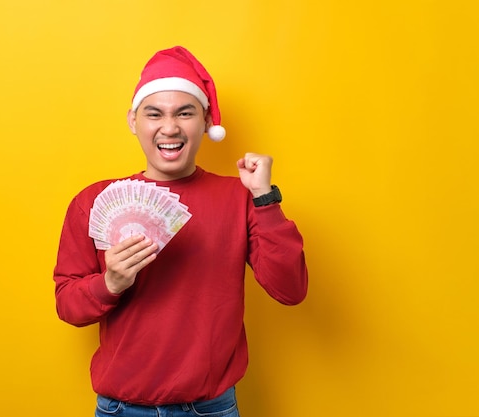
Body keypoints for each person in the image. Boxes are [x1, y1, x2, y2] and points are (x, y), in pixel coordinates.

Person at [53, 46, 308, 417]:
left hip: (211, 409)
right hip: (121, 409)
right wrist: (110, 283)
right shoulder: (93, 202)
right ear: (132, 121)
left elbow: (291, 290)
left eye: (184, 113)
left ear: (205, 121)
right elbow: (67, 304)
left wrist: (264, 198)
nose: (169, 127)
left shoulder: (239, 198)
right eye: (154, 114)